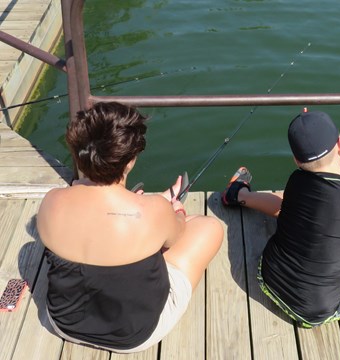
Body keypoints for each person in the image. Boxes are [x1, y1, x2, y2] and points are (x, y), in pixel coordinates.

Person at [36, 102, 223, 353]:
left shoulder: (51, 201)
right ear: (130, 161)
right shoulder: (154, 210)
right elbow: (174, 239)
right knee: (208, 227)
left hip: (63, 323)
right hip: (133, 336)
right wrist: (172, 211)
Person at [222, 110, 340, 328]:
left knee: (288, 205)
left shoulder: (296, 180)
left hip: (266, 277)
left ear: (296, 160)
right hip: (310, 314)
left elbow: (285, 206)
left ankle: (239, 194)